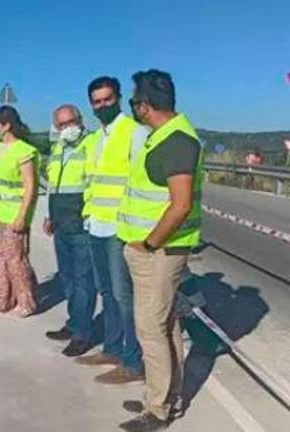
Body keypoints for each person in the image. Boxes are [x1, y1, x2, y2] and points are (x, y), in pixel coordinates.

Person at [117, 69, 203, 431]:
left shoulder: (177, 141)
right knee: (164, 325)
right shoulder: (162, 136)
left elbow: (180, 205)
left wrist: (150, 243)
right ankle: (163, 394)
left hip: (160, 252)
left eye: (134, 101)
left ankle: (158, 410)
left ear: (145, 106)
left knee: (151, 328)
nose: (133, 107)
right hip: (151, 251)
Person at [77, 77, 148, 384]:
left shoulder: (134, 133)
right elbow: (92, 183)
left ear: (118, 99)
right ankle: (112, 348)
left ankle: (132, 362)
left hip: (120, 228)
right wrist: (88, 215)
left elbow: (140, 182)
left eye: (107, 99)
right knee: (106, 291)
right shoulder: (95, 139)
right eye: (97, 101)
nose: (102, 105)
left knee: (123, 295)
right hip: (96, 224)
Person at [42, 105, 97, 356]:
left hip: (81, 224)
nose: (67, 128)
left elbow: (96, 184)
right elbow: (54, 185)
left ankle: (82, 335)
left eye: (70, 122)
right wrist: (48, 215)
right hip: (60, 222)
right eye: (61, 125)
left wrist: (89, 217)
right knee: (68, 279)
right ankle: (73, 323)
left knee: (84, 281)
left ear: (81, 121)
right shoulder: (58, 149)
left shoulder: (92, 145)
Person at [0, 105, 39, 318]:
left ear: (7, 125)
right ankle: (2, 297)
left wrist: (23, 216)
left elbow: (30, 186)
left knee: (15, 261)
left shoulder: (24, 151)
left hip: (14, 215)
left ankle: (26, 301)